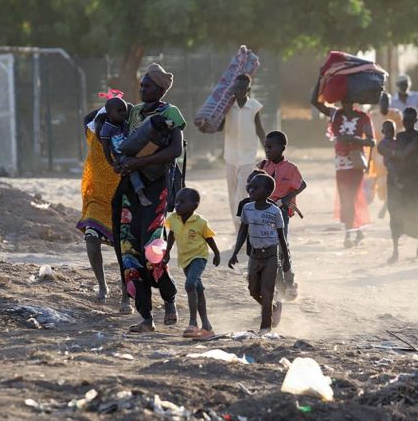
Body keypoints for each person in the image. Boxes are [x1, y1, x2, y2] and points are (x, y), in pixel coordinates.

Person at [114, 63, 186, 332]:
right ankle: (146, 317)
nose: (142, 89)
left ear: (160, 88)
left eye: (147, 86)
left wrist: (138, 164)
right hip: (130, 189)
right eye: (141, 85)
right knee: (128, 251)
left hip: (157, 187)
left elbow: (175, 150)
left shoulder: (170, 113)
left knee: (151, 250)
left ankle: (169, 298)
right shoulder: (132, 112)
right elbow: (104, 123)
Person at [228, 174, 291, 334]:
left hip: (271, 256)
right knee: (253, 290)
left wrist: (286, 260)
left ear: (268, 191)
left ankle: (265, 328)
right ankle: (273, 307)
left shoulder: (275, 211)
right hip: (254, 256)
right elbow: (243, 231)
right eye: (250, 187)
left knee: (266, 291)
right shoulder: (247, 208)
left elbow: (281, 236)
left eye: (256, 188)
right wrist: (235, 252)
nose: (251, 190)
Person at [311, 97, 375, 248]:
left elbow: (372, 142)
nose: (345, 102)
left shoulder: (362, 117)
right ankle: (355, 230)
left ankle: (349, 233)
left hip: (356, 161)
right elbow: (315, 102)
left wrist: (353, 139)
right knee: (346, 197)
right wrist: (322, 77)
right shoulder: (335, 114)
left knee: (351, 196)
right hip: (341, 162)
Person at [163, 188, 221, 340]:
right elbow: (172, 234)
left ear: (194, 205)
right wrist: (167, 252)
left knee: (190, 285)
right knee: (198, 289)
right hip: (184, 259)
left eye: (182, 202)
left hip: (199, 257)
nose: (177, 205)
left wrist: (216, 253)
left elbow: (209, 238)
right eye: (176, 201)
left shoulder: (201, 222)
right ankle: (207, 326)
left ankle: (192, 323)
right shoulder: (173, 218)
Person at [77, 105, 122, 303]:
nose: (104, 128)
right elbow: (87, 117)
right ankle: (102, 285)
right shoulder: (92, 138)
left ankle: (126, 291)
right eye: (101, 123)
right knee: (91, 241)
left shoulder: (124, 142)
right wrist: (109, 104)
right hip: (97, 201)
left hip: (122, 202)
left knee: (124, 251)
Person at [258, 131, 307, 299]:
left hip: (281, 213)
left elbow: (302, 185)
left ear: (282, 148)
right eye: (266, 146)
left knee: (282, 246)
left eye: (271, 147)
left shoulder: (291, 168)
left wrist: (286, 199)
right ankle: (277, 284)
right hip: (263, 213)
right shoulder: (263, 166)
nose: (268, 149)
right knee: (268, 248)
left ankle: (289, 280)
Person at [381, 107, 418, 263]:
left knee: (412, 213)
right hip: (396, 180)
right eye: (405, 120)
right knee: (395, 214)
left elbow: (406, 153)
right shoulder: (398, 137)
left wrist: (391, 153)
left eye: (410, 120)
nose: (407, 122)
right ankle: (395, 251)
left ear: (415, 121)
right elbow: (384, 150)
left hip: (412, 179)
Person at [221, 74, 265, 231]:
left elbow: (259, 129)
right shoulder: (227, 106)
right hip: (231, 156)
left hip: (248, 156)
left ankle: (242, 225)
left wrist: (268, 149)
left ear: (248, 89)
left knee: (242, 190)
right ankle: (237, 226)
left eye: (242, 88)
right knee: (231, 192)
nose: (239, 91)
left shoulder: (254, 106)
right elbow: (219, 127)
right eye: (236, 87)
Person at [98, 97, 153, 207]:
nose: (123, 113)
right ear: (109, 113)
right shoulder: (107, 128)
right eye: (119, 111)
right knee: (132, 169)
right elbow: (105, 148)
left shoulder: (124, 124)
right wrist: (112, 163)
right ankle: (140, 193)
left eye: (124, 110)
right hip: (121, 156)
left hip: (132, 150)